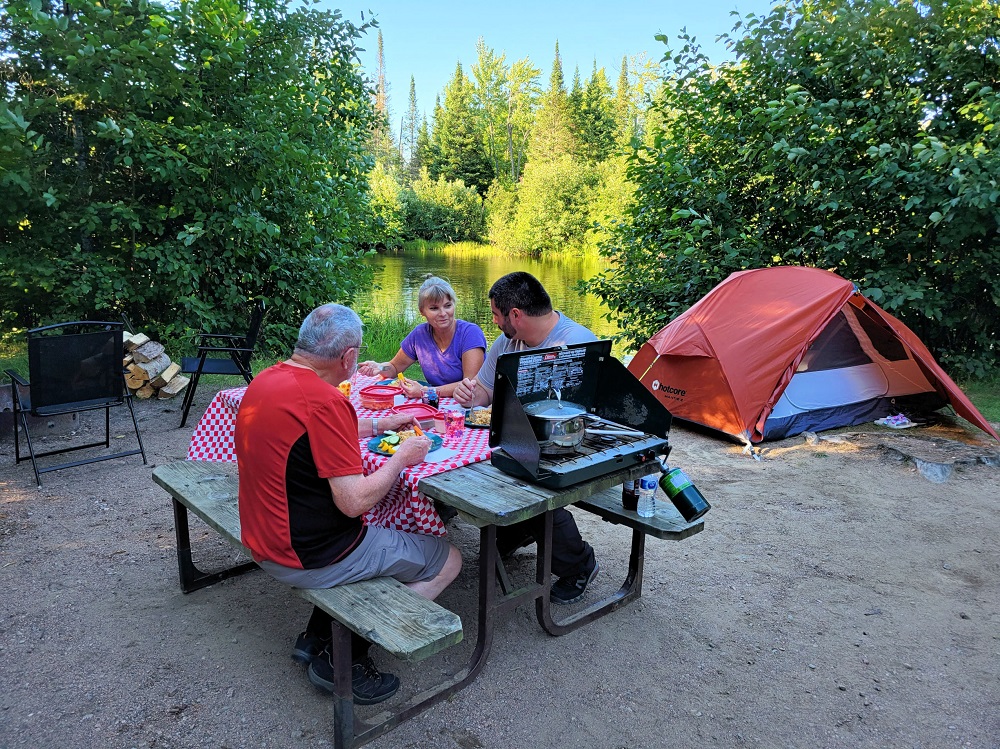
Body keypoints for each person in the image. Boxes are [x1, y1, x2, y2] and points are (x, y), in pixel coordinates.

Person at [234, 303, 462, 705]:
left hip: (261, 537)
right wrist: (401, 458)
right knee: (450, 559)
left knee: (393, 526)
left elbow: (315, 427)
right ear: (349, 356)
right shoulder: (324, 401)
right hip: (310, 554)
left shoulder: (267, 381)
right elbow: (355, 503)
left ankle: (315, 635)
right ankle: (347, 656)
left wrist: (381, 424)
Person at [453, 272, 600, 605]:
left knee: (530, 485)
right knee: (471, 471)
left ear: (515, 315)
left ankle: (578, 564)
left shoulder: (576, 342)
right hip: (517, 441)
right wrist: (470, 392)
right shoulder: (506, 343)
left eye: (495, 314)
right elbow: (485, 392)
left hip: (566, 445)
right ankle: (515, 529)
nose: (493, 322)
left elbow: (587, 415)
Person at [358, 275, 487, 400]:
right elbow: (394, 368)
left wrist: (425, 391)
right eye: (434, 308)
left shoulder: (470, 333)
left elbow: (470, 386)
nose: (443, 313)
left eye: (448, 305)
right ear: (422, 311)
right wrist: (379, 367)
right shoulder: (419, 334)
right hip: (437, 403)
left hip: (472, 407)